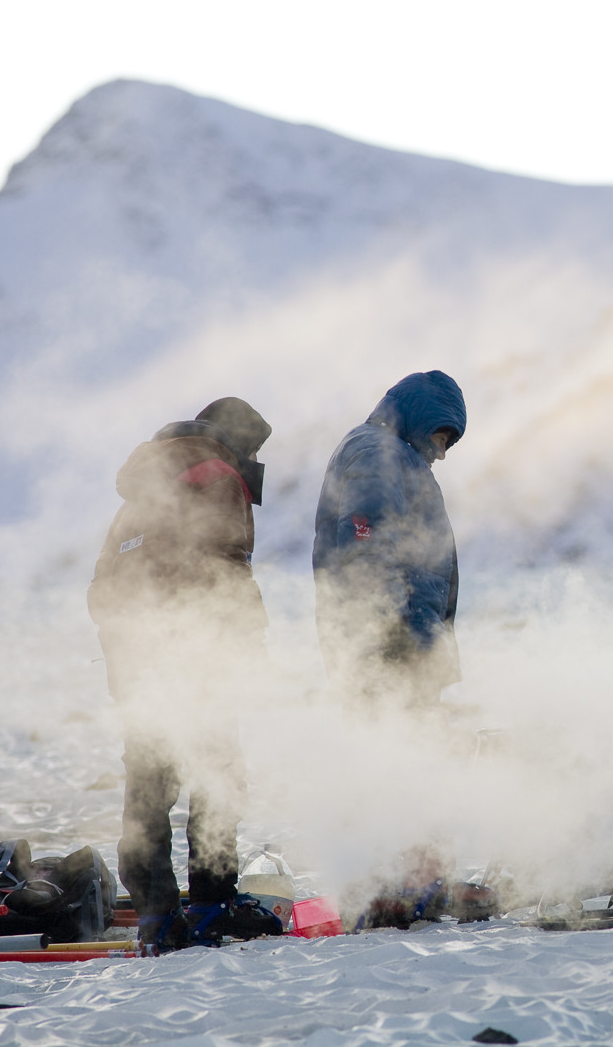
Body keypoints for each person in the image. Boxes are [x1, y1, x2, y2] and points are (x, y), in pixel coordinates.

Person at [88, 397, 284, 948]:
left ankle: (156, 915)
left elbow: (102, 591)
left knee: (149, 789)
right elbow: (224, 571)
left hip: (138, 670)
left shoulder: (137, 499)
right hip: (197, 665)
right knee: (219, 776)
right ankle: (210, 903)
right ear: (236, 441)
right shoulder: (217, 474)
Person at [313, 370, 465, 709]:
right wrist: (389, 637)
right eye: (441, 439)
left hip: (399, 646)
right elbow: (367, 545)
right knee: (396, 747)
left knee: (406, 753)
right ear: (421, 421)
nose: (442, 454)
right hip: (388, 649)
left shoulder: (393, 455)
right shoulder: (377, 453)